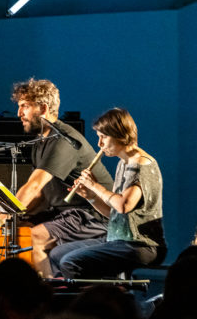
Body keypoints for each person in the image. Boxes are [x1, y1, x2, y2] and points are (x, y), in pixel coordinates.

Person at [7, 78, 112, 277]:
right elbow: (40, 197)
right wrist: (11, 217)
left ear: (43, 108)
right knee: (20, 227)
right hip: (67, 214)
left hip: (92, 215)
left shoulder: (63, 141)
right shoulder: (41, 141)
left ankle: (47, 301)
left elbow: (35, 185)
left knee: (36, 236)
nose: (19, 113)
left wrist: (5, 216)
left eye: (25, 107)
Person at [50, 108, 166, 278]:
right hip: (119, 240)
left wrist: (95, 186)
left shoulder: (141, 165)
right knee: (57, 253)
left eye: (103, 137)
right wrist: (90, 196)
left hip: (141, 245)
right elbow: (114, 214)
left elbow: (124, 205)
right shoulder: (123, 163)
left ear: (119, 134)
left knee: (70, 262)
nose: (99, 144)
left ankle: (96, 299)